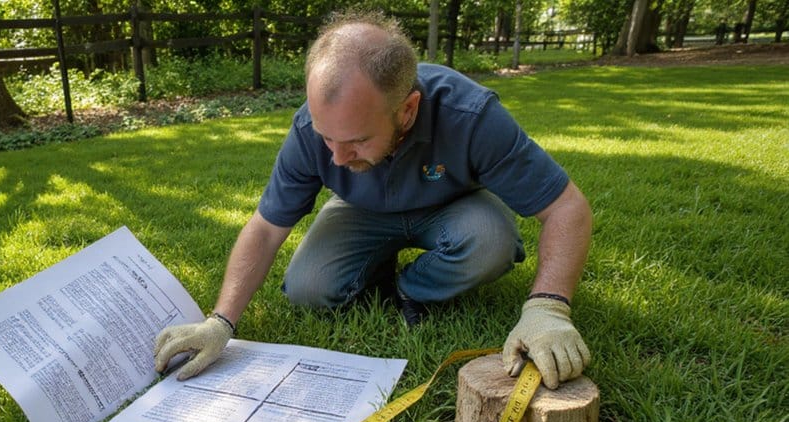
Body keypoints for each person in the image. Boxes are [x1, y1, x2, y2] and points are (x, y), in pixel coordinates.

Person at [154, 11, 592, 389]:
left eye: (358, 140)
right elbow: (267, 228)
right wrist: (221, 321)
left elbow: (566, 207)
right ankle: (377, 267)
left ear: (407, 109)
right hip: (358, 210)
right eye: (328, 137)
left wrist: (548, 307)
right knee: (309, 289)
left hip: (452, 208)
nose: (337, 158)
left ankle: (411, 291)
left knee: (490, 241)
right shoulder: (311, 132)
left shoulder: (471, 116)